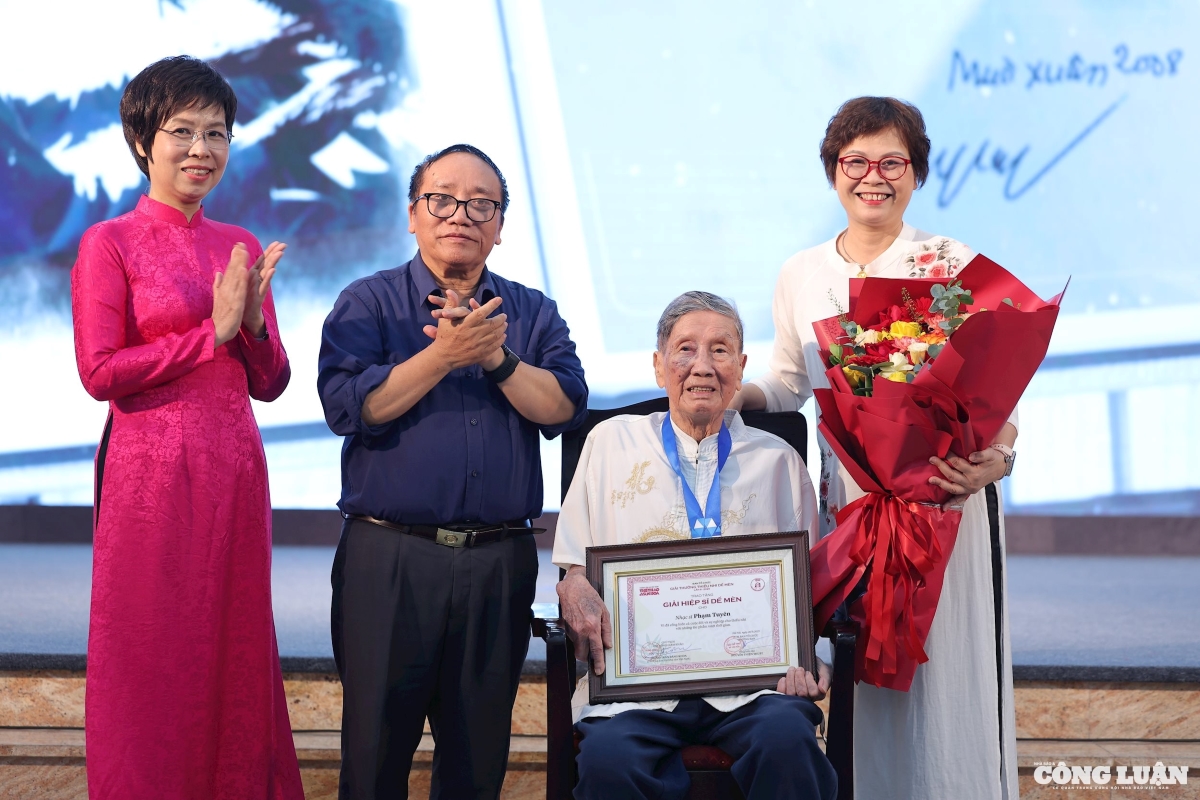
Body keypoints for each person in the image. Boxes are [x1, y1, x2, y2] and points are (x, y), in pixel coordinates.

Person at [732, 96, 1020, 800]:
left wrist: (1001, 458)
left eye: (892, 161)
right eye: (855, 161)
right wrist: (727, 394)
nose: (873, 176)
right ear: (833, 171)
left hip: (946, 501)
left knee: (949, 679)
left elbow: (999, 393)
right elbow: (788, 382)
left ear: (917, 173)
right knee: (870, 679)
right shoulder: (801, 272)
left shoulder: (950, 263)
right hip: (856, 508)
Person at [317, 143, 588, 799]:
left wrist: (497, 360)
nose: (460, 215)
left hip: (498, 561)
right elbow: (351, 407)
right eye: (441, 200)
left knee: (477, 760)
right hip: (390, 559)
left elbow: (563, 407)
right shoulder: (368, 302)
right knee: (374, 756)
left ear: (501, 224)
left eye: (480, 204)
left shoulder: (532, 312)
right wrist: (444, 355)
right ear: (413, 214)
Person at [70, 57, 303, 798]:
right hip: (151, 482)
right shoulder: (108, 242)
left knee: (233, 648)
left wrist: (254, 326)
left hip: (236, 474)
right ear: (144, 141)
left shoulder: (238, 241)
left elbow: (271, 383)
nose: (202, 149)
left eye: (217, 132)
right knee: (153, 653)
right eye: (183, 131)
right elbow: (99, 371)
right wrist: (212, 333)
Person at [553, 291, 837, 800]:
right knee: (608, 760)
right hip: (636, 693)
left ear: (741, 368)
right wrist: (573, 586)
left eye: (720, 350)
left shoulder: (778, 461)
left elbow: (809, 589)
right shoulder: (610, 444)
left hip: (754, 689)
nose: (702, 366)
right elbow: (574, 564)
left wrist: (812, 661)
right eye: (685, 349)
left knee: (787, 742)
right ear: (658, 365)